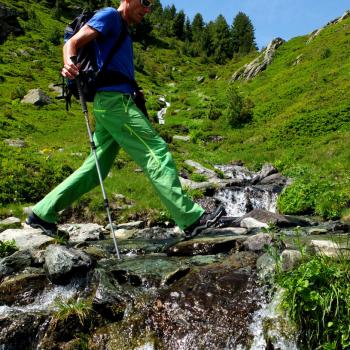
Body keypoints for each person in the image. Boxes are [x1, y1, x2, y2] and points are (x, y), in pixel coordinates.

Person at [26, 0, 225, 240]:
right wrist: (69, 61)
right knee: (156, 151)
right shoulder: (110, 15)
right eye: (144, 2)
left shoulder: (122, 29)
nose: (148, 9)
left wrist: (134, 89)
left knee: (94, 168)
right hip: (114, 103)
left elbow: (114, 66)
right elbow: (73, 42)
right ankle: (191, 219)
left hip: (114, 102)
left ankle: (42, 213)